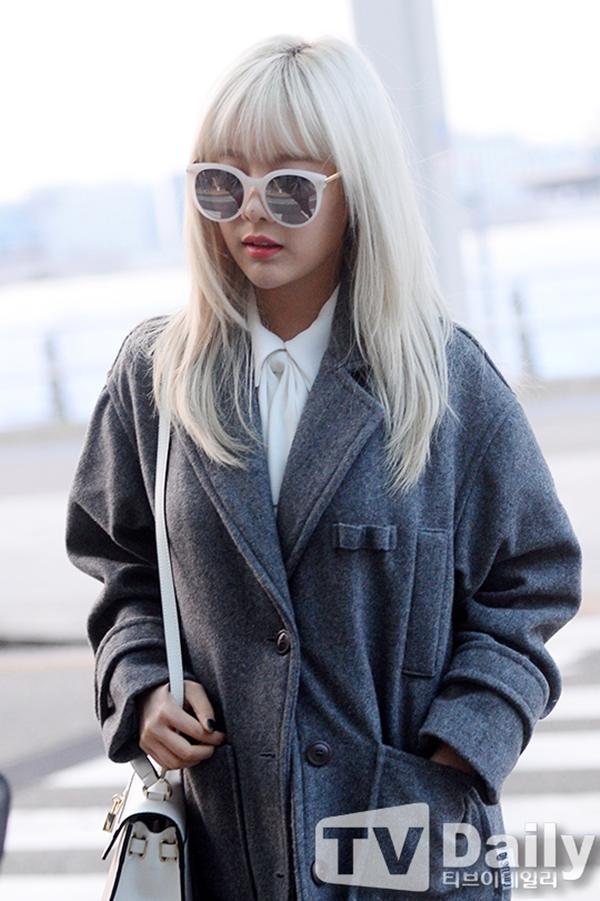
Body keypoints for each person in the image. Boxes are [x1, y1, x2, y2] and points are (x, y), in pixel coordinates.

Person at [65, 34, 582, 901]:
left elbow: (534, 577)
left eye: (290, 187)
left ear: (356, 190)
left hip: (406, 839)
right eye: (221, 183)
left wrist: (466, 733)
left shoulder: (444, 382)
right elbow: (121, 566)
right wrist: (143, 684)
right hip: (226, 844)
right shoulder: (156, 382)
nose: (250, 214)